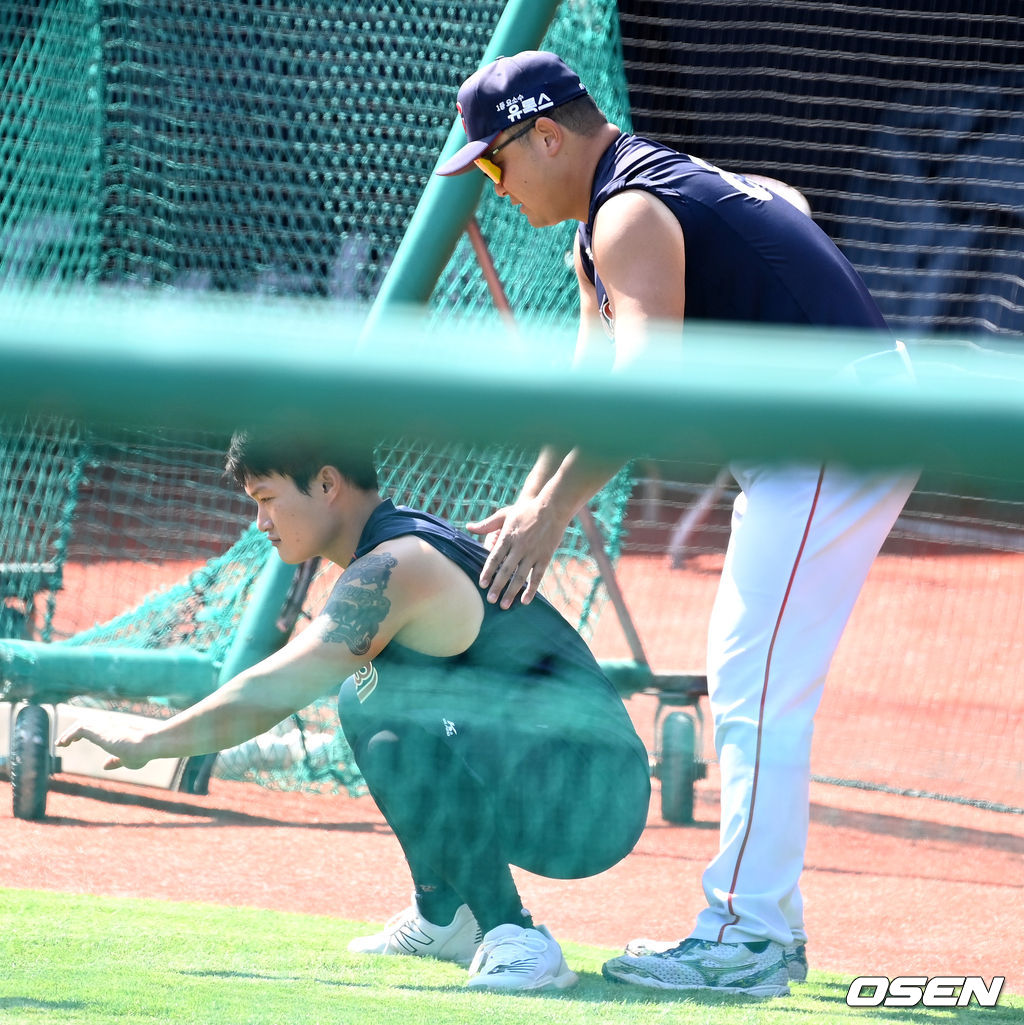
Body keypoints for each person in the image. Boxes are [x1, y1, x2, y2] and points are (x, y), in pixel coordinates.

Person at [436, 50, 918, 995]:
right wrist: (536, 500)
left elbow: (645, 396)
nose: (493, 184)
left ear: (547, 136)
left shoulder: (629, 213)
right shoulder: (605, 221)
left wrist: (556, 512)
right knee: (751, 677)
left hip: (838, 428)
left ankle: (749, 934)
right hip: (816, 434)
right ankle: (761, 926)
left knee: (755, 681)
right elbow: (592, 386)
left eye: (495, 161)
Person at [57, 429, 652, 993]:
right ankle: (446, 916)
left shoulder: (398, 564)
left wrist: (151, 741)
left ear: (326, 484)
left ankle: (515, 935)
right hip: (563, 776)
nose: (260, 523)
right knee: (366, 696)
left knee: (390, 717)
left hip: (593, 797)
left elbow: (275, 690)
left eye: (266, 499)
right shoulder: (392, 546)